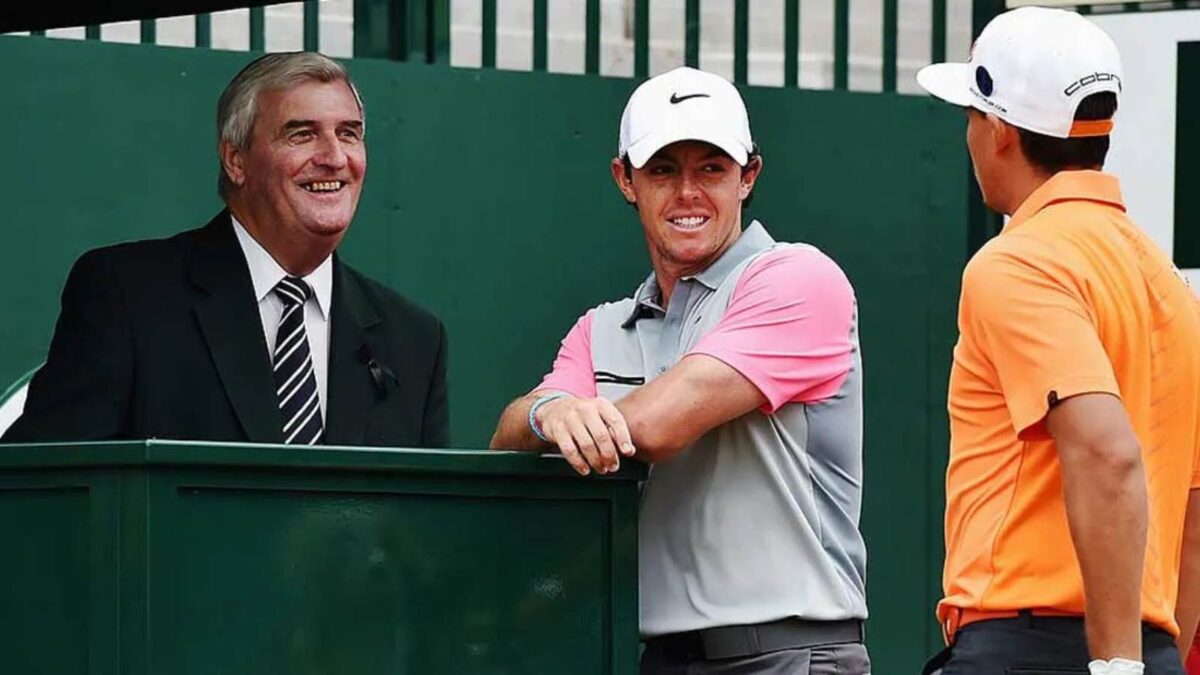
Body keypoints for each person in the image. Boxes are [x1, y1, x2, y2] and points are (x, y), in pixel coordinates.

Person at [489, 66, 870, 675]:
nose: (688, 192)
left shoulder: (798, 277)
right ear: (625, 180)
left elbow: (661, 427)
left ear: (749, 176)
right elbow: (510, 436)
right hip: (660, 658)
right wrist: (549, 411)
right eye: (663, 170)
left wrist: (573, 420)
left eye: (711, 169)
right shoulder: (602, 327)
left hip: (791, 653)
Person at [916, 7, 1200, 675]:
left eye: (971, 116)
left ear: (1002, 131)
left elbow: (1107, 451)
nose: (969, 134)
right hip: (1144, 644)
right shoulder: (1165, 282)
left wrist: (1115, 665)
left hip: (1034, 649)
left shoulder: (1016, 262)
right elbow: (1192, 521)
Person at [2, 52, 449, 447]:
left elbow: (428, 524)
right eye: (302, 134)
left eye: (349, 134)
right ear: (236, 160)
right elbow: (45, 492)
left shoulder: (413, 339)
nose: (334, 157)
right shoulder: (127, 296)